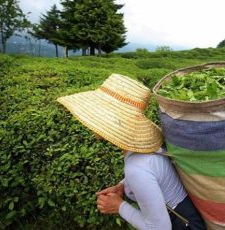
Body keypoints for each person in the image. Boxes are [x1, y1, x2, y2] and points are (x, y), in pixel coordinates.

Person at [57, 74, 206, 230]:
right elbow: (153, 174)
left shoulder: (137, 168)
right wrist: (124, 186)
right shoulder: (144, 153)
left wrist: (119, 206)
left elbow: (159, 228)